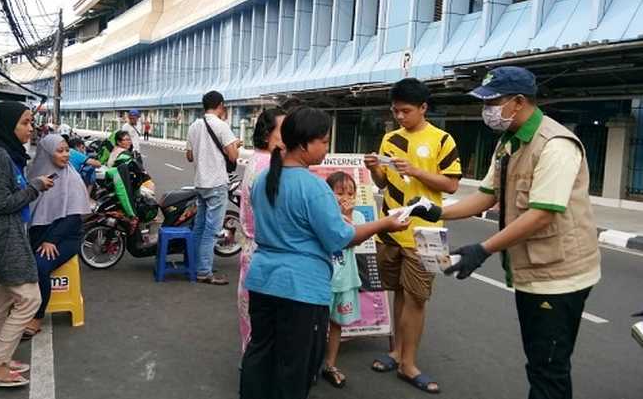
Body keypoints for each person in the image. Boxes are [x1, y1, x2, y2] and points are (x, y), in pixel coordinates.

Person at [413, 67, 601, 399]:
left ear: (518, 102)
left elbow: (542, 214)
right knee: (540, 364)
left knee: (548, 369)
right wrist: (438, 211)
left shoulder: (555, 145)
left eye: (492, 102)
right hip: (532, 272)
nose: (486, 110)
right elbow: (487, 195)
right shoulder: (509, 141)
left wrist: (481, 249)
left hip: (558, 276)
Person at [239, 107, 408, 399]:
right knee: (295, 364)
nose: (327, 149)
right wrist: (386, 222)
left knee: (260, 352)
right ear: (304, 144)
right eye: (324, 141)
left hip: (263, 279)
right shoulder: (314, 187)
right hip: (301, 289)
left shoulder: (264, 179)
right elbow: (340, 238)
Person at [364, 78, 461, 394]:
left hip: (426, 233)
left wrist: (417, 171)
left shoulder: (442, 140)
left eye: (406, 111)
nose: (400, 117)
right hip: (391, 230)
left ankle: (409, 362)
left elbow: (451, 185)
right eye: (396, 111)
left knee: (417, 297)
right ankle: (396, 352)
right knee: (399, 293)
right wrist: (375, 169)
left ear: (423, 108)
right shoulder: (390, 138)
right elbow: (383, 184)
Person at [0, 101, 54, 388]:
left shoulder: (6, 154)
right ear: (7, 126)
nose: (30, 128)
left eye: (30, 122)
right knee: (29, 299)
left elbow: (7, 193)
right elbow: (0, 203)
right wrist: (34, 188)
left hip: (5, 236)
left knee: (1, 302)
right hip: (4, 239)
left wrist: (31, 185)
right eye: (24, 123)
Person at [22, 134, 92, 339]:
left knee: (39, 266)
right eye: (60, 151)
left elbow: (74, 217)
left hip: (66, 237)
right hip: (37, 233)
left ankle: (37, 317)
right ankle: (21, 308)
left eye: (67, 150)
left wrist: (51, 240)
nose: (65, 155)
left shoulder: (72, 177)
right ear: (46, 153)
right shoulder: (35, 174)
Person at [238, 108, 285, 353]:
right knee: (267, 325)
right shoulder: (270, 165)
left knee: (252, 322)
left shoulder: (256, 159)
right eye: (283, 131)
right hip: (266, 252)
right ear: (267, 135)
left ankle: (251, 367)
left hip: (251, 250)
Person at [186, 91, 241, 285]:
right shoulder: (221, 125)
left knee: (199, 227)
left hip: (200, 182)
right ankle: (204, 272)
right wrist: (235, 145)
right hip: (216, 183)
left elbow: (190, 156)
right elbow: (234, 157)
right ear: (221, 105)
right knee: (212, 230)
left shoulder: (194, 126)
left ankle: (194, 265)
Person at [322, 171, 365, 389]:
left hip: (346, 280)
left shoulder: (358, 218)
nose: (345, 197)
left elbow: (352, 240)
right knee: (315, 324)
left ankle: (330, 364)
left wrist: (348, 216)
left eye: (350, 192)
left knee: (337, 324)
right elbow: (334, 241)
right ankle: (309, 364)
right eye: (339, 192)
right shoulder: (323, 216)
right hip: (323, 281)